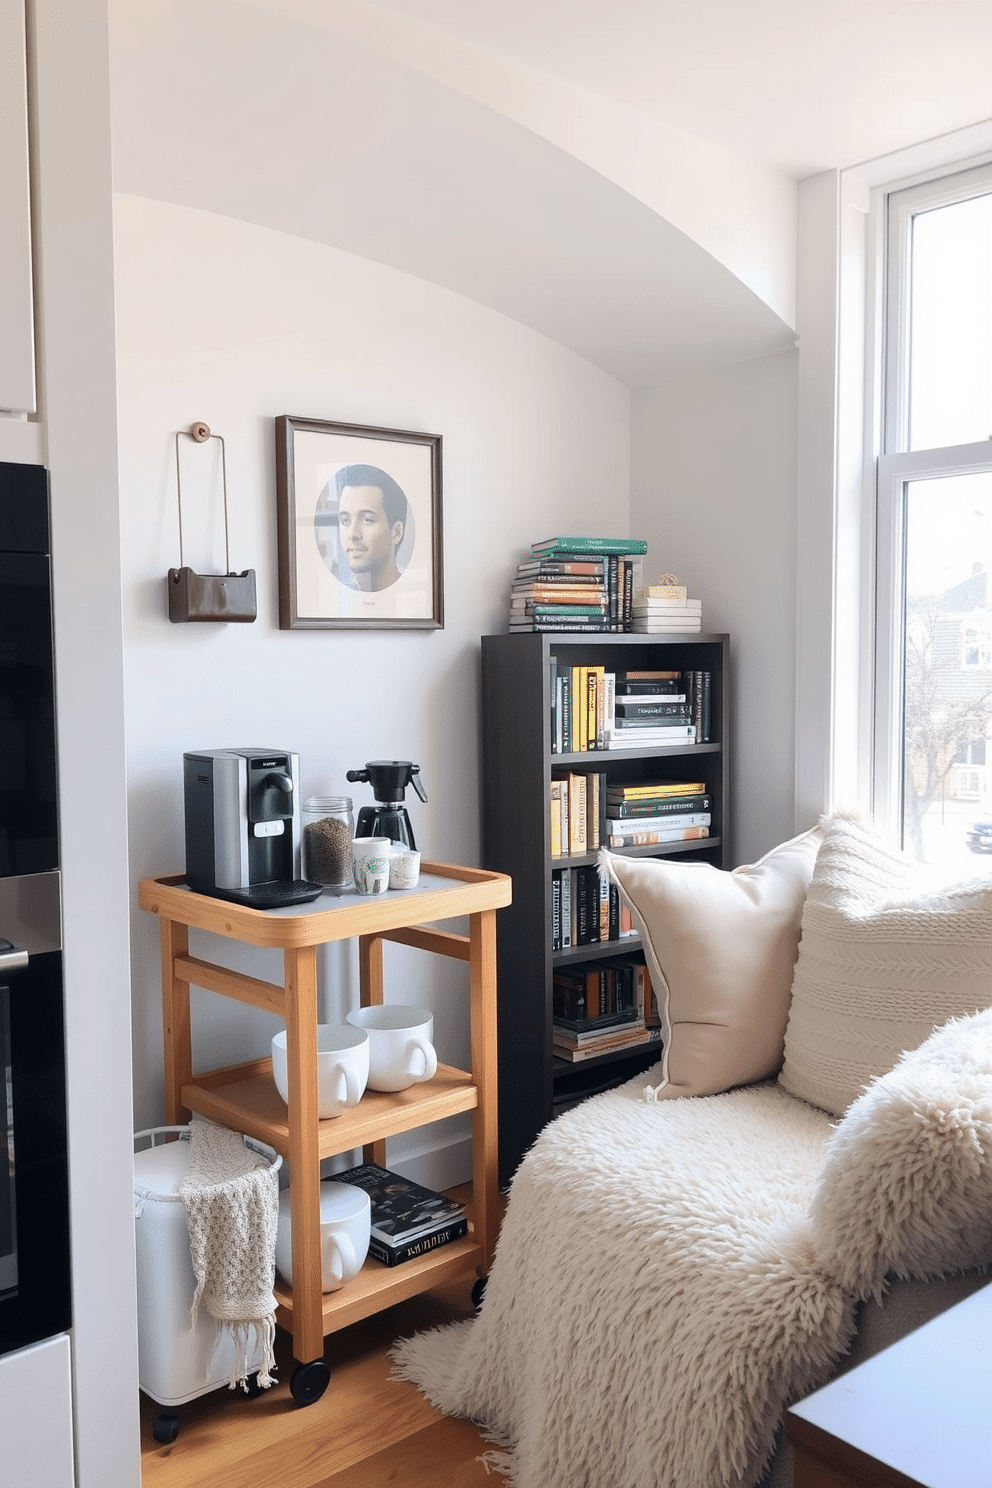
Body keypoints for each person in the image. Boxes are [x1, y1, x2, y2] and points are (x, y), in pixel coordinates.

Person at [334, 464, 409, 592]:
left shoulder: (411, 596)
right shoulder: (334, 600)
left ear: (396, 532)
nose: (353, 534)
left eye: (367, 520)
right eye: (345, 521)